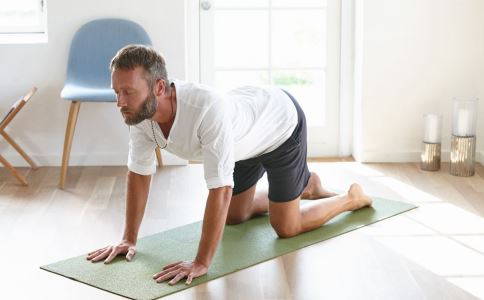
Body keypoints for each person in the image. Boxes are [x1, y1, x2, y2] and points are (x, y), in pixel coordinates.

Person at [86, 45, 372, 285]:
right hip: (241, 143)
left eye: (127, 92)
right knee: (234, 216)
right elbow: (138, 174)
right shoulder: (139, 114)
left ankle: (351, 198)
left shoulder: (206, 110)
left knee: (287, 226)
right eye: (116, 92)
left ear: (159, 87)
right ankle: (306, 186)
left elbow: (219, 189)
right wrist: (128, 239)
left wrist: (201, 262)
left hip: (280, 127)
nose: (119, 102)